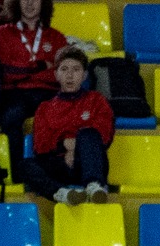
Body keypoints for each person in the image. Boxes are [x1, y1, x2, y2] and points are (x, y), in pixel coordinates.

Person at [21, 47, 112, 205]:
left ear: (84, 75)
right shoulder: (45, 107)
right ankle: (61, 193)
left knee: (89, 133)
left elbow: (105, 134)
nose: (70, 75)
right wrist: (63, 145)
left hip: (89, 162)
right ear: (56, 74)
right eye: (64, 69)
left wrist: (77, 145)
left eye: (76, 70)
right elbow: (40, 145)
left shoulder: (97, 100)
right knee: (25, 165)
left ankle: (94, 186)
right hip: (59, 164)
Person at [0, 0, 67, 132]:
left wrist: (25, 70)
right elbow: (9, 72)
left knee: (58, 117)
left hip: (49, 93)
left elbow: (60, 74)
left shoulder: (56, 37)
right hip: (14, 93)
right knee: (12, 116)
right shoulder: (2, 33)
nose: (29, 3)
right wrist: (41, 65)